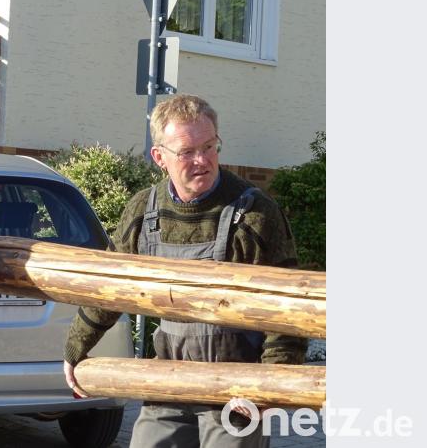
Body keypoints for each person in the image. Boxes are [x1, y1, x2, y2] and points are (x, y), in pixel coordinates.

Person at [62, 94, 308, 447]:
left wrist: (271, 388)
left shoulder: (254, 213)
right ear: (159, 157)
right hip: (169, 386)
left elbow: (287, 310)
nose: (203, 160)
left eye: (210, 147)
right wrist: (75, 350)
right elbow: (109, 288)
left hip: (236, 395)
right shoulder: (142, 212)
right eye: (187, 151)